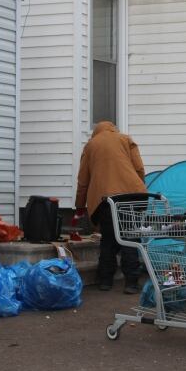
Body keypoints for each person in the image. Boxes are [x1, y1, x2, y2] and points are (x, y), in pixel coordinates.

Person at [74, 121, 147, 294]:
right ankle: (131, 283)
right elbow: (139, 169)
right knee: (130, 237)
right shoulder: (125, 139)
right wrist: (137, 189)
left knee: (108, 238)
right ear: (113, 128)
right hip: (132, 196)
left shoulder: (91, 146)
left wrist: (79, 206)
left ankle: (105, 281)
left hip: (105, 200)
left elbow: (83, 181)